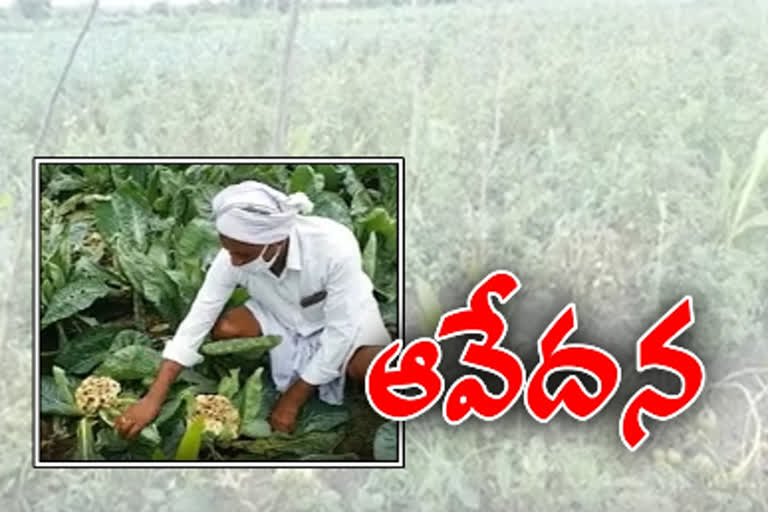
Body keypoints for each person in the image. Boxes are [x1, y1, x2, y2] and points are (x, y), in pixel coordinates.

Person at [114, 180, 391, 439]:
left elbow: (341, 331)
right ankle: (280, 369)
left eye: (243, 255)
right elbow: (198, 318)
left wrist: (292, 400)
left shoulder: (333, 246)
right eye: (228, 251)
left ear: (276, 241)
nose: (234, 262)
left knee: (373, 370)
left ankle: (318, 381)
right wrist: (152, 399)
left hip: (343, 320)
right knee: (225, 329)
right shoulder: (233, 256)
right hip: (279, 315)